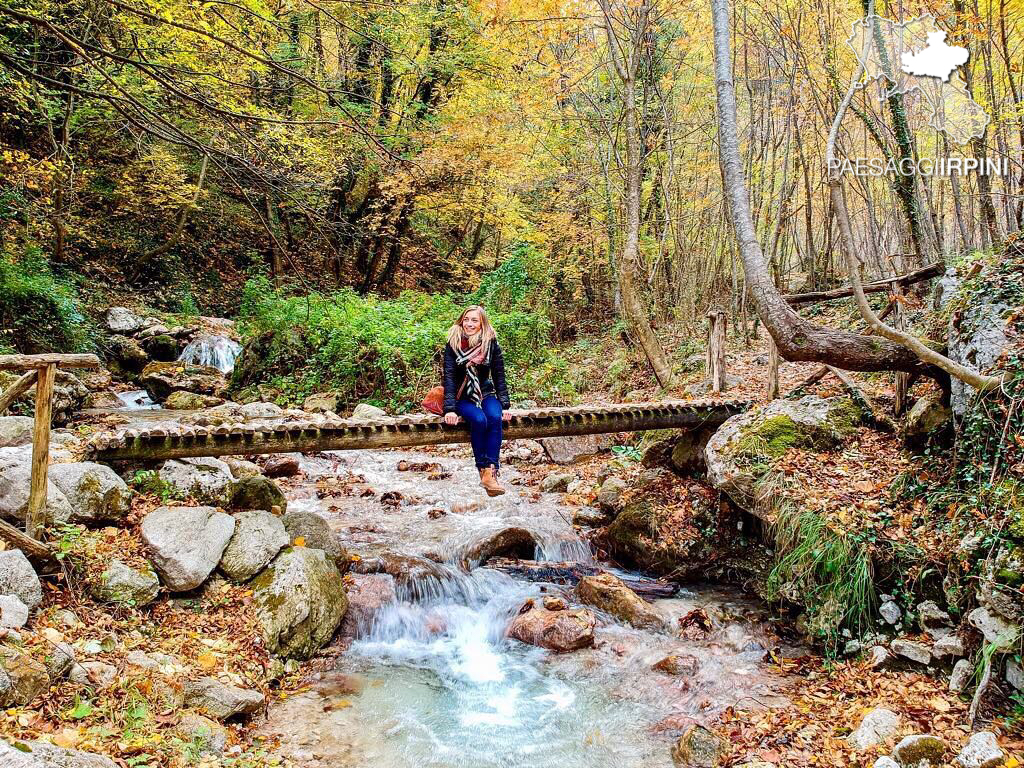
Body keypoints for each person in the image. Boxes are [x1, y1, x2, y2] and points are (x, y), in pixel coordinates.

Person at [442, 306, 512, 496]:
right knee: (479, 420)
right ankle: (482, 469)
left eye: (474, 320)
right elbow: (448, 377)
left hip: (485, 392)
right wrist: (449, 409)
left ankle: (491, 472)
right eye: (467, 319)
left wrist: (505, 405)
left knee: (494, 416)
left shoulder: (491, 343)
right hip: (462, 396)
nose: (470, 324)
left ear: (482, 323)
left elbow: (499, 375)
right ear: (461, 321)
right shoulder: (453, 344)